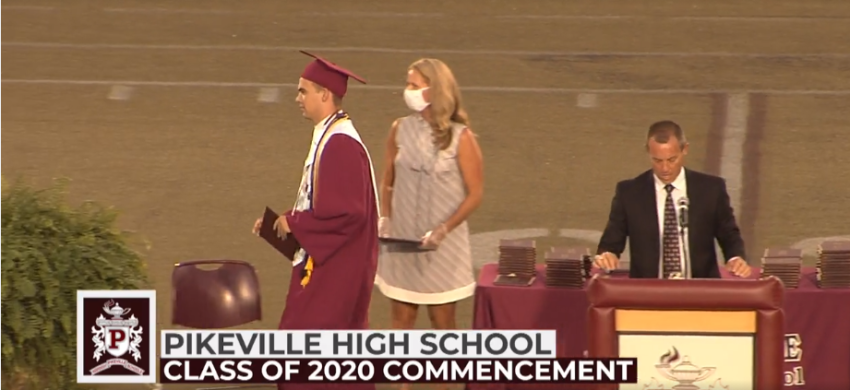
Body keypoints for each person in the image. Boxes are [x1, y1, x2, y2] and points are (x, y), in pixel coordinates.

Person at [252, 52, 379, 389]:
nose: (297, 98)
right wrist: (281, 224)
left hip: (334, 272)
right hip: (331, 265)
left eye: (303, 91)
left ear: (324, 94)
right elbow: (326, 203)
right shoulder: (331, 134)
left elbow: (349, 213)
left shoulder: (340, 144)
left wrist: (296, 223)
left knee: (307, 354)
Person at [374, 58, 484, 343]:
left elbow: (475, 193)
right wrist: (384, 217)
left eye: (414, 85)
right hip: (402, 242)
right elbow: (388, 180)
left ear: (435, 90)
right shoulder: (399, 128)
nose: (408, 90)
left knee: (443, 323)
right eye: (407, 84)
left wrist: (443, 229)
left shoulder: (461, 137)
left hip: (443, 249)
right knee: (401, 322)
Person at [594, 120, 752, 279]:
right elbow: (611, 240)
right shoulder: (630, 193)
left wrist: (735, 258)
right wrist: (608, 255)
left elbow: (728, 233)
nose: (665, 169)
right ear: (648, 152)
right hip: (647, 290)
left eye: (671, 160)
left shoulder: (711, 189)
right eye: (657, 160)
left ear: (685, 149)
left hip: (700, 288)